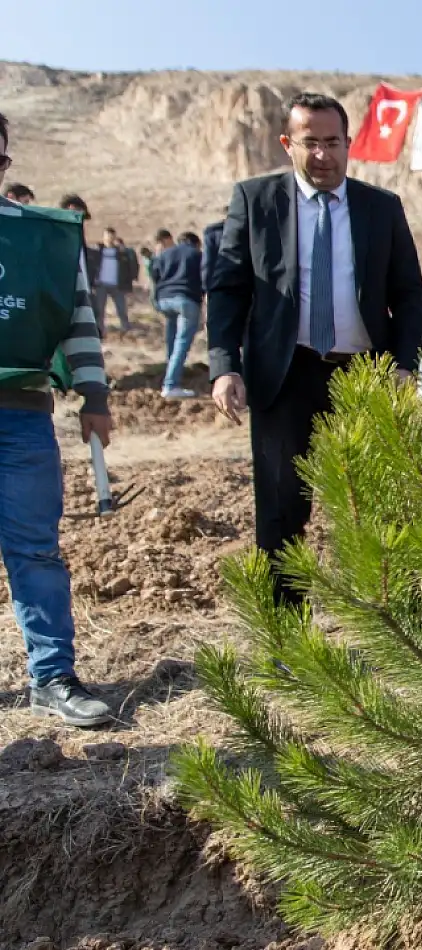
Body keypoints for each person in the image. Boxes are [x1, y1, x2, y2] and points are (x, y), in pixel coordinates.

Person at [207, 92, 422, 605]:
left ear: (349, 144)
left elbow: (408, 292)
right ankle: (287, 638)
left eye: (333, 142)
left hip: (365, 376)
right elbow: (228, 289)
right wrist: (224, 366)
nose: (323, 155)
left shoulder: (381, 208)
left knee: (380, 504)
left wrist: (404, 363)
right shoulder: (255, 201)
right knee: (283, 508)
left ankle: (397, 625)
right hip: (286, 375)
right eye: (310, 143)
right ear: (288, 144)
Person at [0, 110, 117, 726]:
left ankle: (52, 674)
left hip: (20, 420)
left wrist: (94, 397)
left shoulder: (44, 238)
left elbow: (77, 318)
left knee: (35, 551)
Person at [151, 228, 205, 399]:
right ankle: (171, 385)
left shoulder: (166, 253)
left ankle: (170, 371)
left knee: (172, 338)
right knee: (182, 342)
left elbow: (154, 273)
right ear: (196, 243)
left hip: (164, 300)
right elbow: (204, 278)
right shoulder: (197, 255)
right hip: (186, 299)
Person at [91, 226, 139, 333]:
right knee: (99, 310)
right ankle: (99, 330)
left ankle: (126, 329)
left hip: (117, 285)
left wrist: (130, 281)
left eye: (112, 237)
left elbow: (131, 265)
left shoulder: (121, 252)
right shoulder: (97, 251)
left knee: (122, 309)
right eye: (107, 237)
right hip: (101, 284)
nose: (110, 239)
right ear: (103, 237)